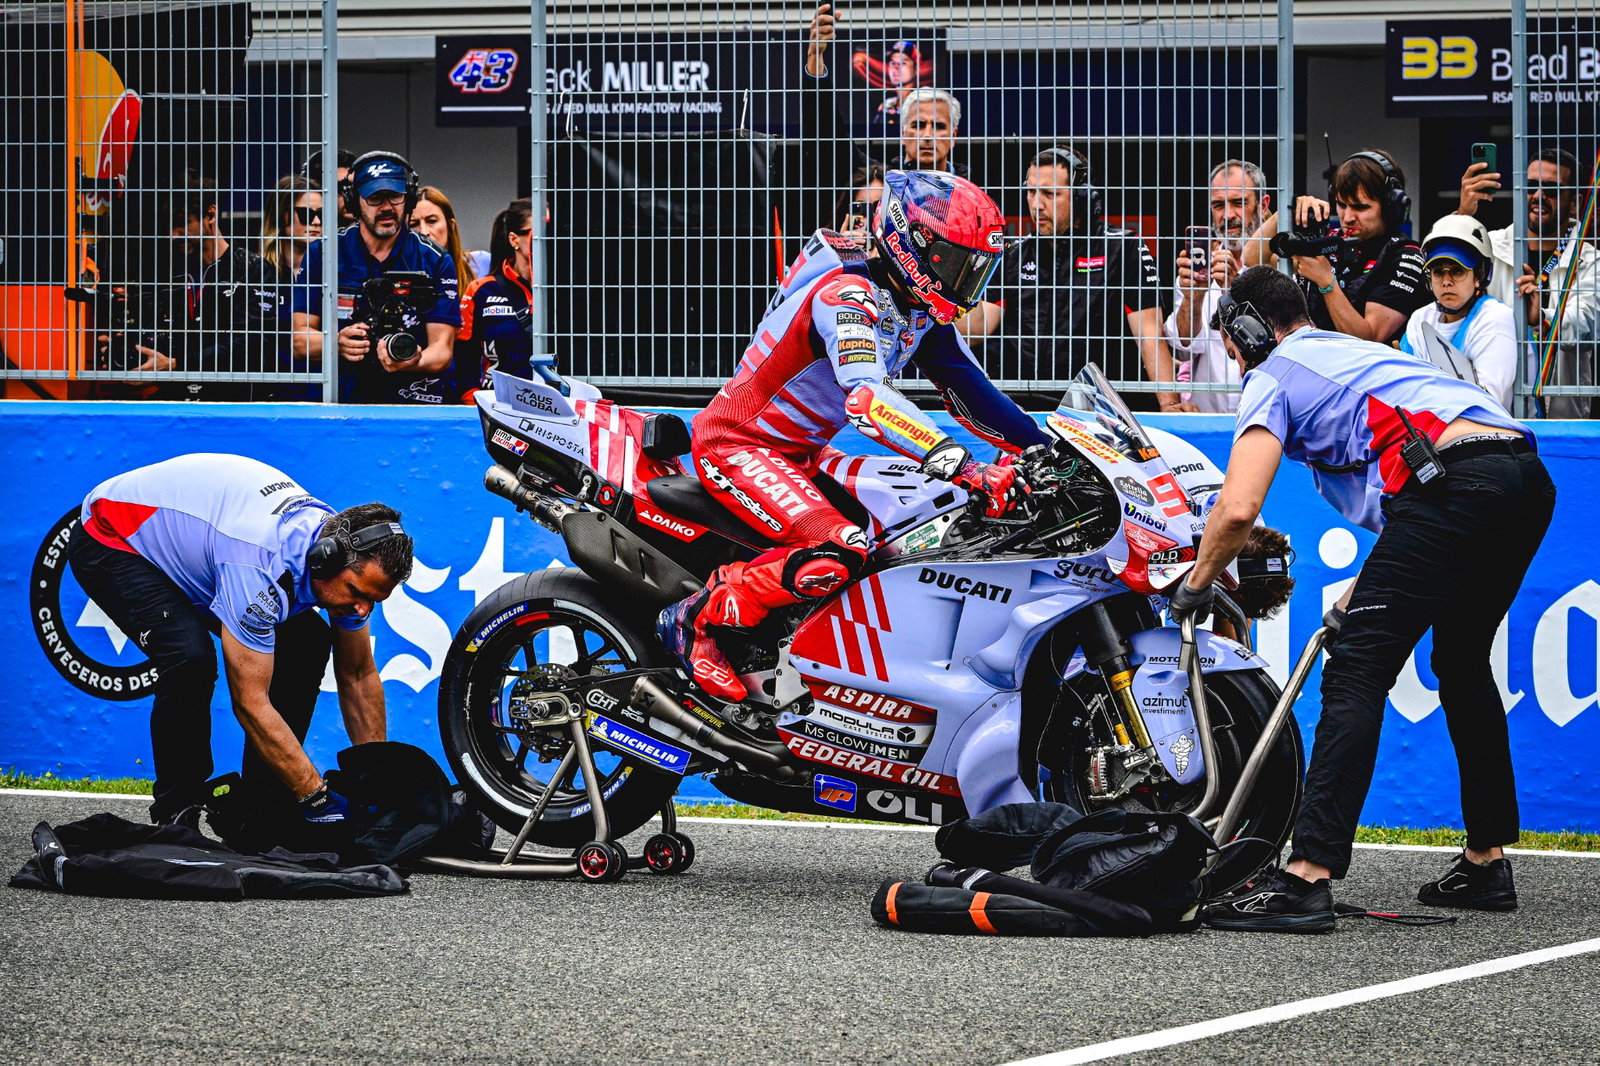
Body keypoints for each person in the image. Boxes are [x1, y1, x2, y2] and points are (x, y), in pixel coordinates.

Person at [1171, 267, 1554, 931]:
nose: (1230, 356)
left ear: (1249, 329)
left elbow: (1236, 510)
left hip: (1457, 486)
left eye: (1230, 340)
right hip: (1521, 477)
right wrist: (1367, 584)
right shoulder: (1355, 353)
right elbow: (1419, 500)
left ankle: (1307, 877)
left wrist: (1196, 585)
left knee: (1356, 668)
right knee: (1461, 662)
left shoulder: (1276, 372)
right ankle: (1487, 863)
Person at [656, 170, 1049, 703]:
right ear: (913, 245)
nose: (965, 284)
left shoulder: (915, 305)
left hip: (803, 452)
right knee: (838, 548)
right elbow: (867, 401)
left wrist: (1046, 452)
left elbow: (973, 392)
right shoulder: (847, 295)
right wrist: (962, 464)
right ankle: (696, 618)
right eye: (955, 264)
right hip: (738, 444)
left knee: (918, 525)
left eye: (974, 269)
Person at [64, 452, 415, 828]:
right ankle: (177, 811)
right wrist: (316, 796)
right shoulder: (259, 567)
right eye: (356, 593)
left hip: (206, 540)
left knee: (308, 641)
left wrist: (378, 783)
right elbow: (250, 703)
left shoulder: (341, 554)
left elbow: (358, 676)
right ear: (325, 560)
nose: (362, 610)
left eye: (373, 602)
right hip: (112, 533)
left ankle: (263, 809)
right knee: (189, 659)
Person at [962, 147, 1191, 411]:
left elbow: (1149, 334)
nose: (1037, 205)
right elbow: (976, 330)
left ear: (1082, 197)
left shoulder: (1123, 248)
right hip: (1024, 411)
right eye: (1031, 191)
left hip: (1098, 414)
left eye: (1050, 194)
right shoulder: (1013, 254)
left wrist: (1169, 404)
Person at [291, 151, 462, 404]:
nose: (386, 207)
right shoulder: (323, 252)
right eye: (374, 198)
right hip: (338, 404)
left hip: (411, 403)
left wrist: (413, 360)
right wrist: (337, 343)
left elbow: (442, 350)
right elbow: (300, 340)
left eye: (394, 196)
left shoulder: (434, 259)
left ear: (409, 198)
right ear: (353, 202)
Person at [116, 171, 283, 401]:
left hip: (235, 405)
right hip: (174, 404)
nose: (174, 235)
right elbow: (154, 337)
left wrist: (177, 365)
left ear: (210, 215)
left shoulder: (254, 269)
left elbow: (253, 345)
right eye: (170, 227)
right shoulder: (165, 273)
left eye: (183, 224)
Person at [1458, 147, 1600, 417]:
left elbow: (1588, 325)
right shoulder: (1490, 246)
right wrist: (1463, 215)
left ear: (1574, 202)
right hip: (1493, 414)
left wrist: (1541, 319)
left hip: (1560, 420)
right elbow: (1444, 278)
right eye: (1532, 186)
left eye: (1552, 189)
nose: (1538, 196)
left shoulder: (1590, 260)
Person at [1250, 149, 1428, 344]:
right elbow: (1252, 259)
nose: (1348, 217)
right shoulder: (1330, 239)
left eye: (1361, 207)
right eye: (1342, 205)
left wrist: (1327, 282)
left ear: (1390, 207)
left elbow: (1370, 339)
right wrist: (1286, 211)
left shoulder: (1405, 256)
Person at [1165, 159, 1274, 413]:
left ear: (1263, 205)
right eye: (1218, 205)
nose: (1227, 215)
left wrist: (1232, 289)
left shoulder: (1279, 267)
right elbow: (1183, 349)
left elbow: (1270, 345)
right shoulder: (1199, 267)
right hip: (1209, 423)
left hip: (1265, 417)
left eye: (1238, 203)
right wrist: (1194, 297)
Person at [1399, 215, 1517, 409]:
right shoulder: (1420, 319)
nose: (1446, 281)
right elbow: (1404, 391)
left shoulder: (1495, 318)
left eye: (1457, 271)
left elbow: (1488, 404)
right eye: (1438, 271)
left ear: (1479, 275)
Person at [455, 198, 534, 401]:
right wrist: (473, 403)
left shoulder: (570, 290)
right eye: (538, 233)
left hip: (556, 409)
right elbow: (464, 361)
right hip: (498, 407)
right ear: (514, 239)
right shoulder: (481, 290)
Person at [411, 184, 490, 297]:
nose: (423, 232)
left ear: (450, 225)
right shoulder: (399, 273)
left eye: (432, 221)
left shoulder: (481, 263)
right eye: (413, 224)